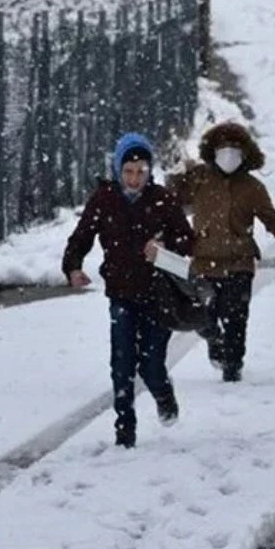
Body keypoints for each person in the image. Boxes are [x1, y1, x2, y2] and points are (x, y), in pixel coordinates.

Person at [62, 132, 195, 448]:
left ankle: (163, 393)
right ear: (118, 170)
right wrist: (73, 267)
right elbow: (81, 237)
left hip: (157, 295)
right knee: (121, 364)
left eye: (141, 172)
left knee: (150, 365)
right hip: (120, 294)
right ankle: (125, 430)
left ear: (150, 171)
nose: (135, 179)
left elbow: (189, 240)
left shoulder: (162, 199)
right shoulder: (104, 200)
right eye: (129, 171)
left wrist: (164, 246)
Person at [168, 121, 275, 383]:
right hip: (204, 262)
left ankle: (233, 366)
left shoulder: (252, 187)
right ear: (212, 151)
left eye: (234, 149)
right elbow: (173, 200)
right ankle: (215, 342)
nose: (228, 154)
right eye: (223, 148)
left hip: (240, 263)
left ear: (245, 153)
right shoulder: (200, 178)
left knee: (237, 317)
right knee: (207, 314)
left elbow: (268, 216)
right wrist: (176, 174)